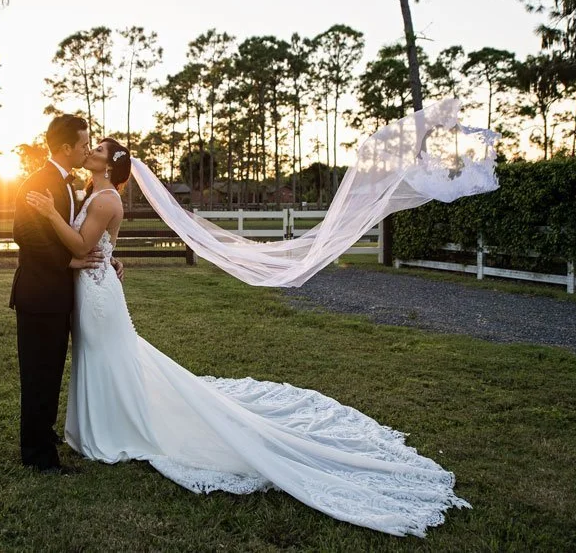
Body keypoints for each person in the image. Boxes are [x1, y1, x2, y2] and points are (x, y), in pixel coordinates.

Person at [25, 137, 471, 537]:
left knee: (108, 356)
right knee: (101, 357)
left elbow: (84, 246)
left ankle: (114, 428)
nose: (91, 152)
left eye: (98, 150)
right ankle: (98, 425)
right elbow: (96, 246)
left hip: (98, 294)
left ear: (110, 164)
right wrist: (107, 256)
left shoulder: (104, 199)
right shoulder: (92, 191)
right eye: (91, 147)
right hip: (92, 287)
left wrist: (53, 218)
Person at [9, 115, 123, 473]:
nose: (87, 149)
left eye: (92, 145)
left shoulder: (73, 186)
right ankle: (38, 455)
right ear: (65, 148)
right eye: (84, 144)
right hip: (40, 294)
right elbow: (23, 234)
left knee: (51, 370)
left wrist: (108, 257)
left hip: (58, 296)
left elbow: (83, 233)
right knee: (38, 372)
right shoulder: (38, 181)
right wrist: (68, 262)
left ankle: (44, 432)